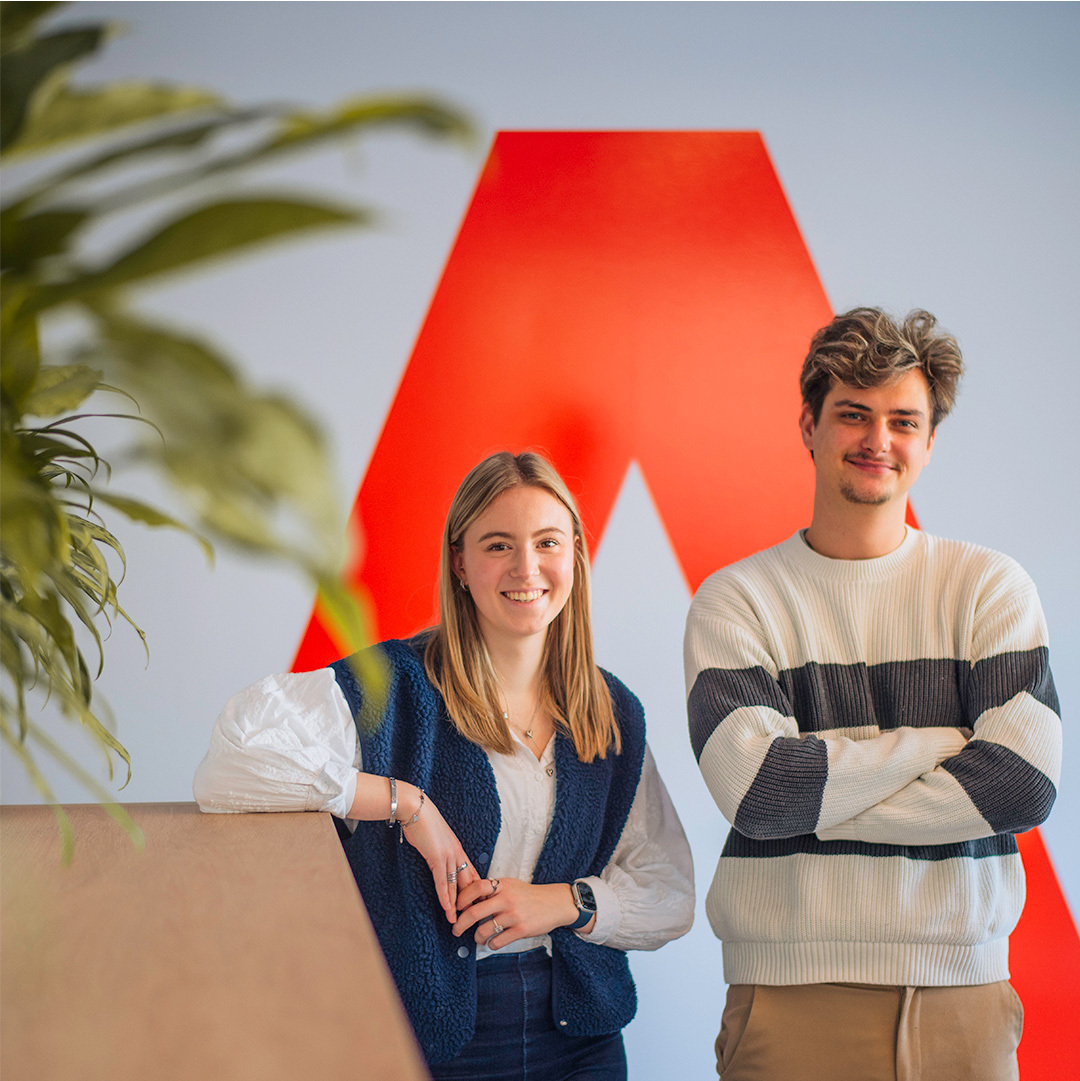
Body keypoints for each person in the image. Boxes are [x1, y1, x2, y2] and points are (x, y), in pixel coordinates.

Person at [195, 450, 694, 1080]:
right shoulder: (396, 687)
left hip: (582, 1043)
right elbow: (231, 764)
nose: (526, 568)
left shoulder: (610, 708)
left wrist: (566, 902)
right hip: (436, 1041)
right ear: (459, 562)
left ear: (575, 555)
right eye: (496, 546)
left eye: (547, 542)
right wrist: (408, 805)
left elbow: (668, 890)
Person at [684, 308, 1061, 1081]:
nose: (876, 440)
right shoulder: (737, 602)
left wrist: (823, 788)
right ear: (809, 426)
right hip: (788, 997)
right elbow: (758, 791)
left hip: (964, 997)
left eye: (902, 420)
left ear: (929, 441)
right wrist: (935, 743)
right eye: (852, 413)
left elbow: (1022, 782)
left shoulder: (988, 587)